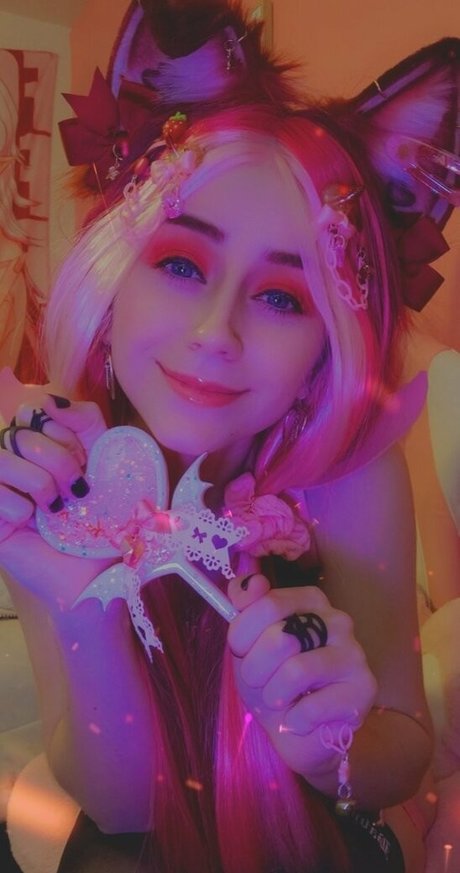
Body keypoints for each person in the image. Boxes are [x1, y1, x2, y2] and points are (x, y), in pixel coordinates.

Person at [0, 3, 457, 871]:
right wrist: (78, 596)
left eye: (283, 296)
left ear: (330, 341)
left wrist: (331, 744)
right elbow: (123, 804)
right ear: (113, 275)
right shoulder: (54, 461)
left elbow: (403, 750)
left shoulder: (349, 473)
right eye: (180, 263)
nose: (216, 332)